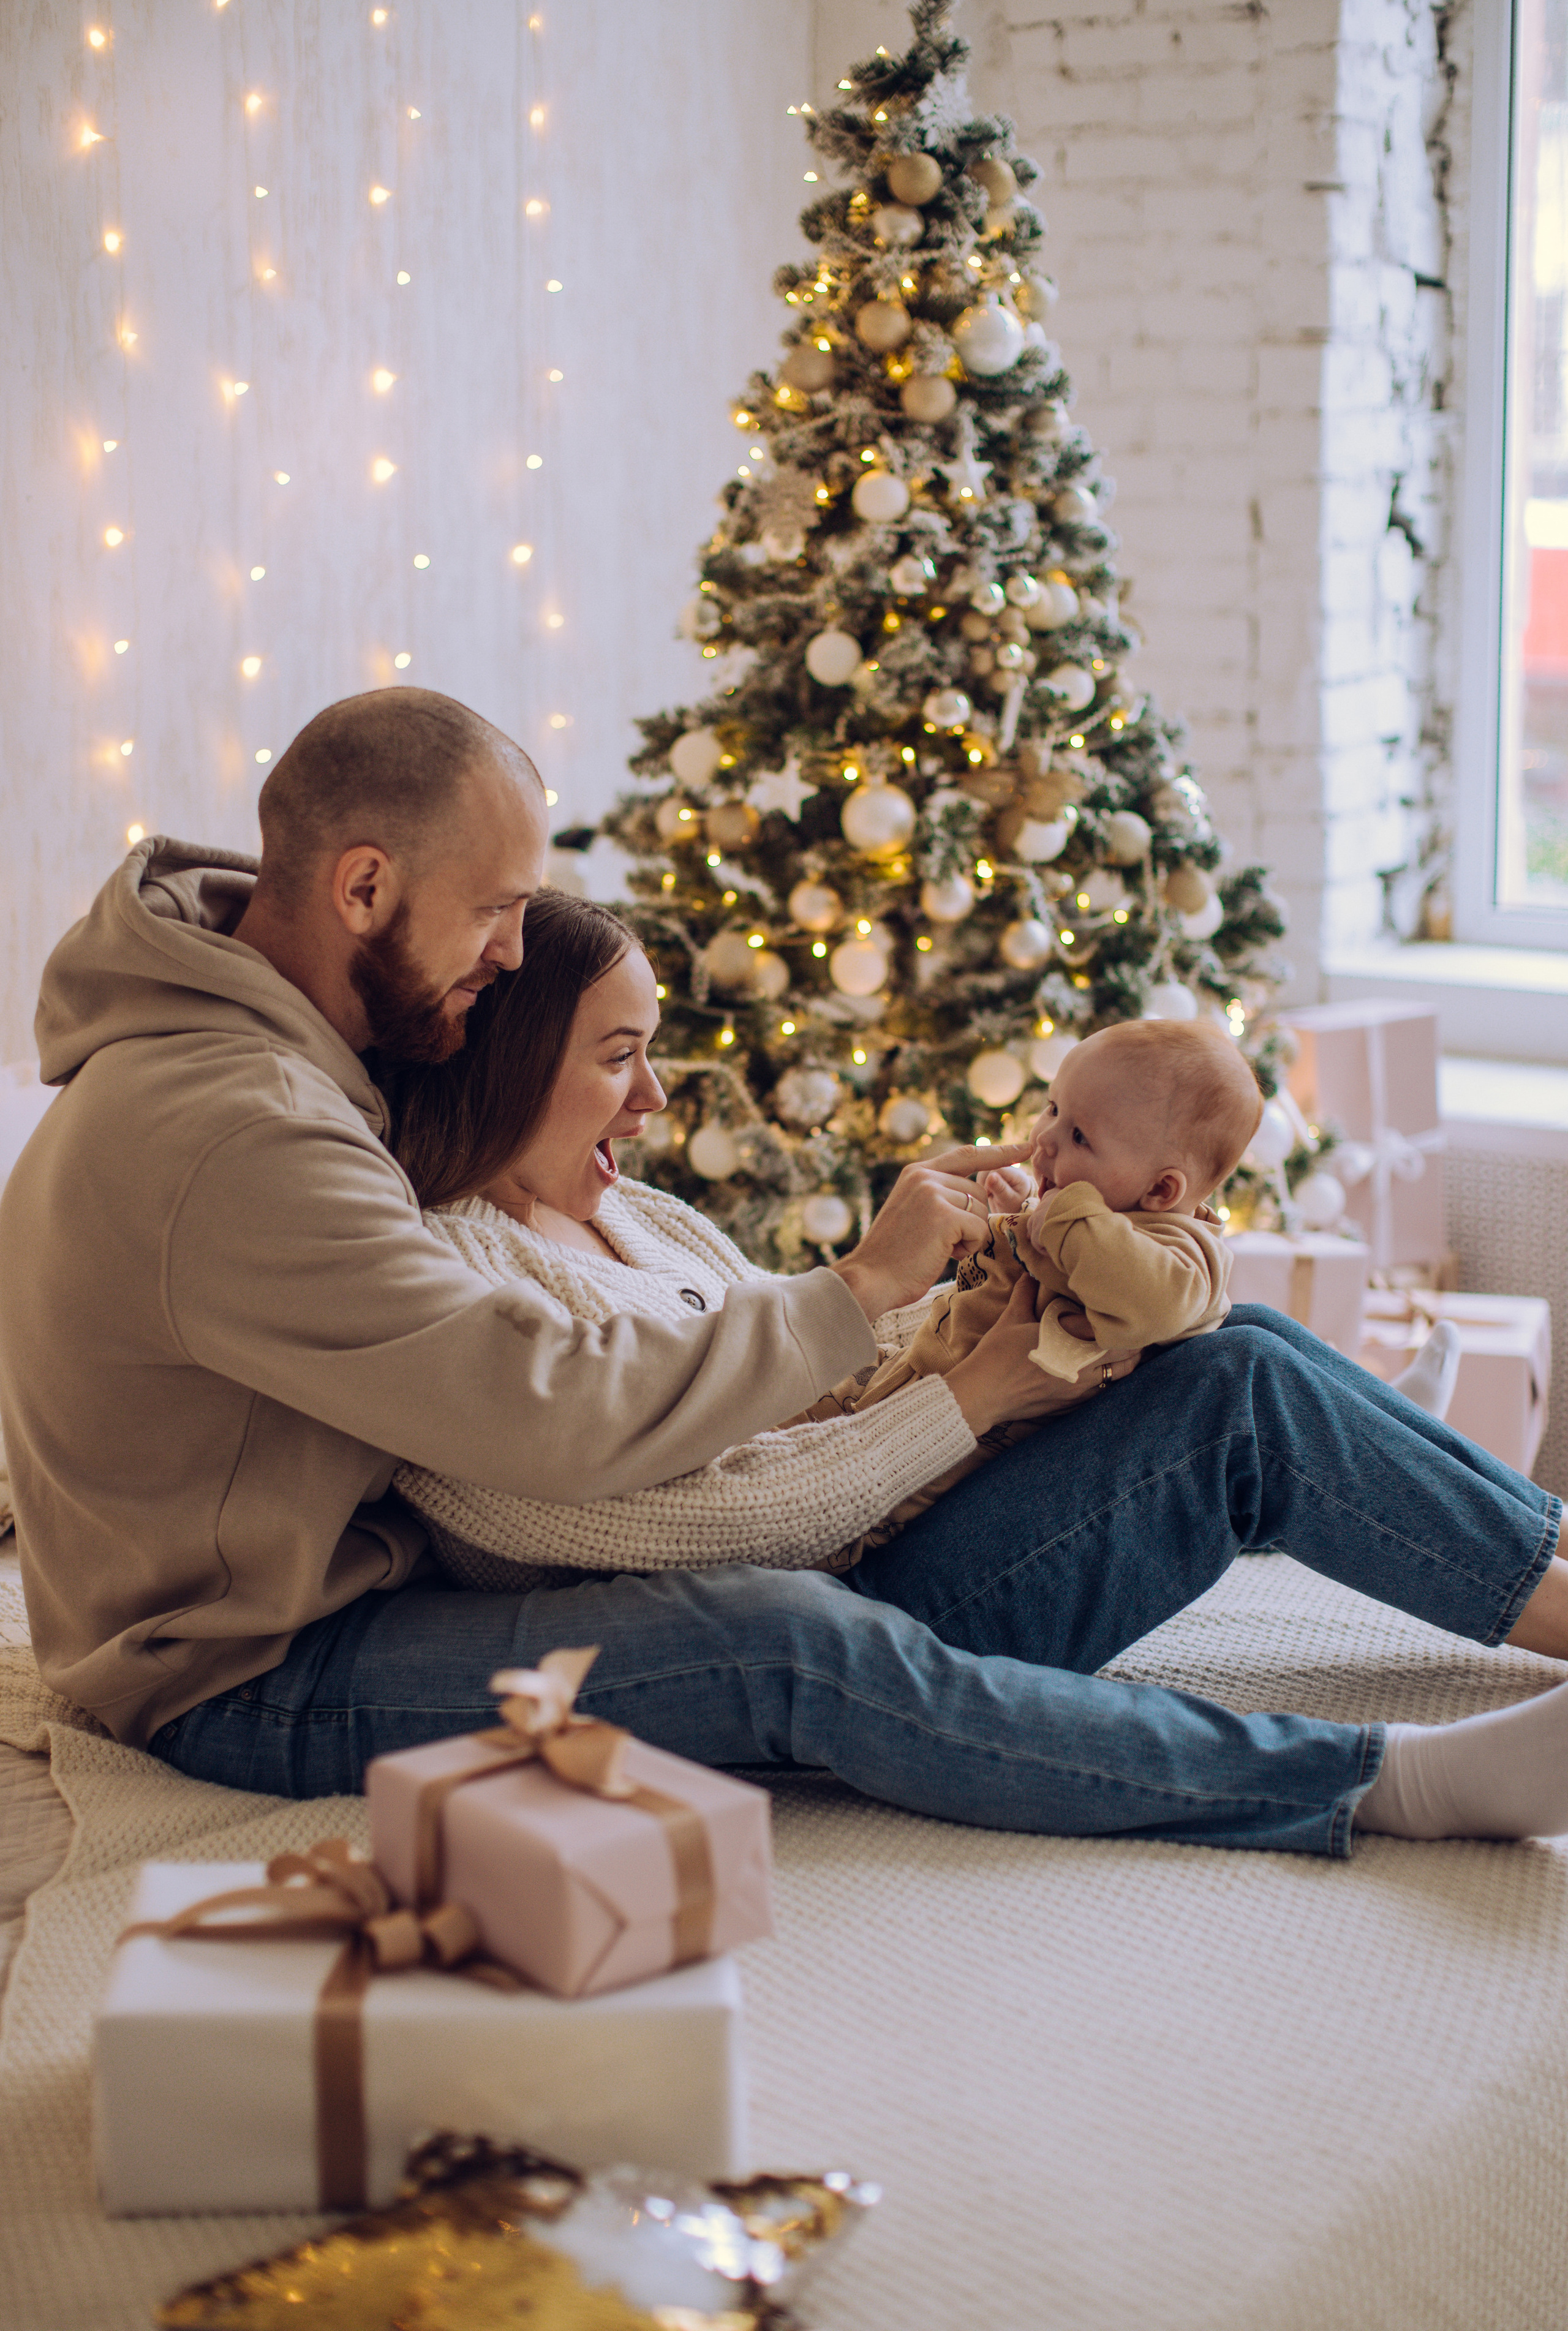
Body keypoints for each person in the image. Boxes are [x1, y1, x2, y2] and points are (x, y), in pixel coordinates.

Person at [4, 688, 1567, 1854]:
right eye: (493, 915)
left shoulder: (299, 1079)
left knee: (1243, 1370)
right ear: (361, 889)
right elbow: (535, 1419)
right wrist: (900, 1327)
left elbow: (722, 1369)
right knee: (777, 1635)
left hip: (421, 1567)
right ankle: (1384, 1784)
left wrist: (950, 1332)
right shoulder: (249, 1132)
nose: (503, 956)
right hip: (246, 1664)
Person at [386, 891, 1568, 1853]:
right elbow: (701, 1526)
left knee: (1243, 1343)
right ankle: (1475, 1551)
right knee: (1242, 1396)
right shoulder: (450, 1279)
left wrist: (951, 1286)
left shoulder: (637, 1216)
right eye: (619, 1059)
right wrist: (979, 1389)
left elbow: (807, 1378)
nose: (653, 1097)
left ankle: (1429, 1488)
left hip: (881, 1528)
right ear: (515, 1066)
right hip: (857, 1607)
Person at [792, 1017, 1261, 1564]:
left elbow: (1154, 1298)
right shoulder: (1097, 1219)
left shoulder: (1179, 1253)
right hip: (915, 1378)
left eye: (1080, 1136)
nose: (1043, 1139)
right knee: (789, 1415)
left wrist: (1056, 1213)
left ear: (1161, 1189)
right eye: (1053, 1108)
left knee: (850, 1518)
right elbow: (1065, 1256)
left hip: (965, 1454)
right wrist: (1022, 1211)